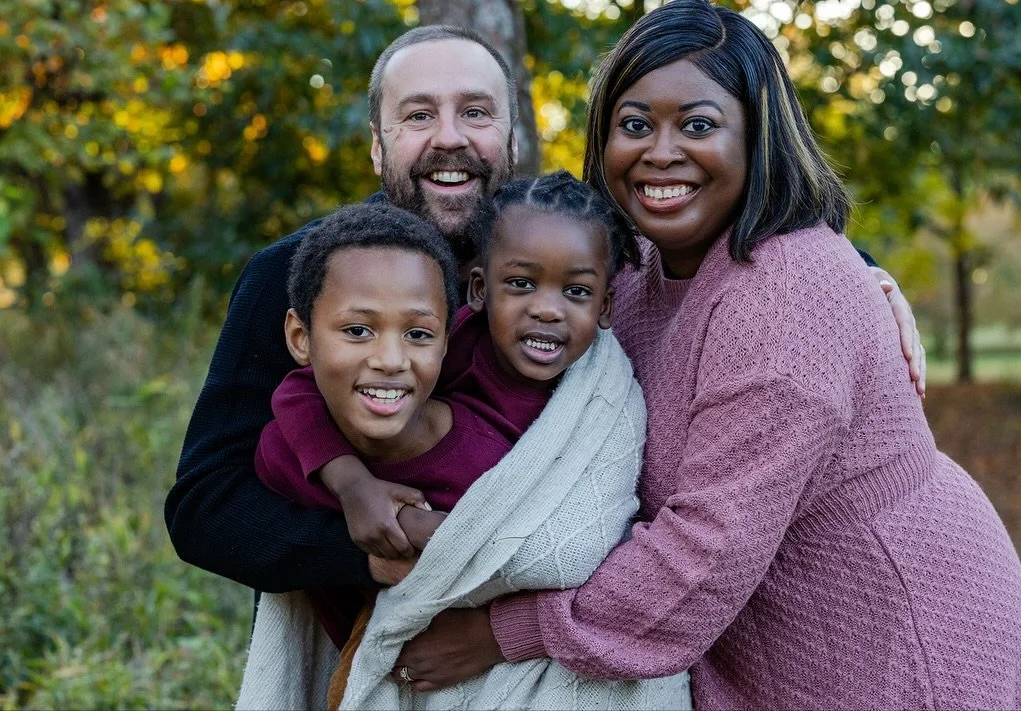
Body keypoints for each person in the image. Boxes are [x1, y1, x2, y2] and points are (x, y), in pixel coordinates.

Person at [164, 21, 922, 642]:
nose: (450, 138)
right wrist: (372, 550)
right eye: (419, 116)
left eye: (476, 113)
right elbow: (204, 506)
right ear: (376, 142)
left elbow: (711, 228)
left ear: (512, 135)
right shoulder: (298, 275)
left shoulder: (561, 249)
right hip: (367, 633)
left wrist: (862, 276)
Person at [388, 3, 1021, 710]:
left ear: (758, 136)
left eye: (697, 125)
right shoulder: (631, 270)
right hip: (760, 639)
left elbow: (705, 550)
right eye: (635, 125)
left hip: (891, 638)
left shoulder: (785, 297)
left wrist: (503, 630)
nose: (661, 152)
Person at [236, 173, 692, 710]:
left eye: (576, 292)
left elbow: (573, 541)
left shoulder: (599, 402)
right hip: (377, 621)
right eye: (520, 283)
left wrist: (425, 529)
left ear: (607, 308)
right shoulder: (439, 346)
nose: (548, 309)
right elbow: (299, 392)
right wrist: (352, 483)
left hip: (492, 637)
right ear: (478, 290)